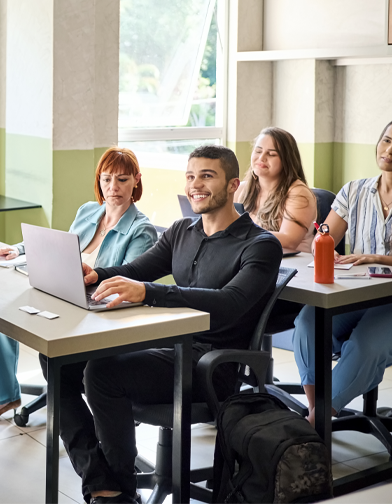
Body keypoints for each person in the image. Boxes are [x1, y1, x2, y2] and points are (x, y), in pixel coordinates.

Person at [80, 145, 283, 504]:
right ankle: (101, 477)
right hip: (170, 346)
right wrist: (96, 273)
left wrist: (150, 293)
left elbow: (230, 303)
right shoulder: (181, 230)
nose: (195, 185)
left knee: (101, 372)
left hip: (210, 365)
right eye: (190, 176)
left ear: (233, 184)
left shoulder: (260, 245)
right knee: (62, 362)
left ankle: (119, 493)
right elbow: (137, 271)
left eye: (207, 176)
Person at [0, 147, 158, 423]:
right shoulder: (88, 211)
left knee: (9, 306)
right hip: (65, 291)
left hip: (94, 309)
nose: (113, 187)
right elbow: (59, 245)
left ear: (136, 180)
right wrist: (18, 249)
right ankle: (3, 396)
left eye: (122, 179)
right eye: (106, 179)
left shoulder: (141, 230)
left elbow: (128, 280)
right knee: (4, 306)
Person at [293, 114, 392, 427]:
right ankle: (317, 414)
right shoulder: (355, 191)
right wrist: (321, 246)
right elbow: (325, 240)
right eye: (386, 140)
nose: (389, 150)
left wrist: (385, 259)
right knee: (308, 321)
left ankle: (315, 424)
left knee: (367, 343)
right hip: (355, 292)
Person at [236, 127, 317, 252]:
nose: (261, 158)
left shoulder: (298, 193)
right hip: (255, 257)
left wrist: (239, 233)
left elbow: (289, 240)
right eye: (258, 151)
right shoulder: (240, 189)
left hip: (292, 264)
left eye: (271, 154)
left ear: (287, 160)